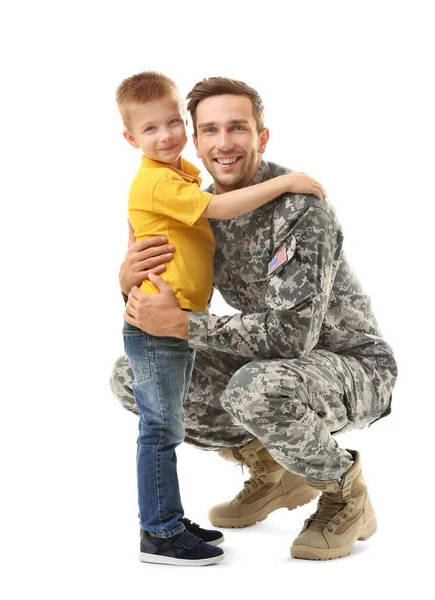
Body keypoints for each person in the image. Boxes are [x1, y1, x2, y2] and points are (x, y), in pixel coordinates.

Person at [111, 76, 397, 561]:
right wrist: (128, 282)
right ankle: (270, 466)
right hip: (276, 363)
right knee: (133, 376)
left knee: (256, 387)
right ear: (196, 141)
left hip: (354, 366)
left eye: (238, 128)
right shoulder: (197, 208)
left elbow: (292, 335)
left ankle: (344, 490)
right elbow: (171, 288)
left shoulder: (301, 209)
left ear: (261, 137)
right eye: (210, 130)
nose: (224, 143)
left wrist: (181, 325)